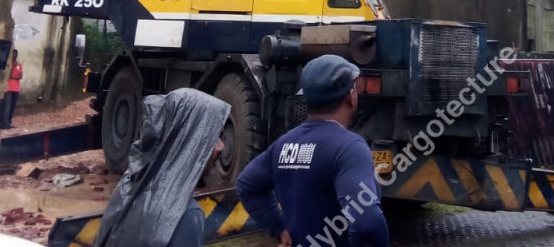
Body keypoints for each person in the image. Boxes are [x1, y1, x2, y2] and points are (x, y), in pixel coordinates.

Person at [236, 54, 389, 247]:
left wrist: (280, 229)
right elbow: (367, 222)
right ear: (351, 96)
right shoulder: (349, 148)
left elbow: (246, 185)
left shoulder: (283, 144)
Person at [95, 88, 229, 247]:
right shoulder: (184, 215)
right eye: (214, 136)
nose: (222, 147)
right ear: (191, 139)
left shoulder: (127, 190)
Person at [2, 49, 23, 129]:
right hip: (8, 88)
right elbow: (8, 76)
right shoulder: (8, 64)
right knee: (7, 106)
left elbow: (20, 76)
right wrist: (12, 70)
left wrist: (13, 76)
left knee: (12, 106)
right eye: (13, 54)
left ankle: (9, 122)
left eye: (15, 54)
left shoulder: (19, 65)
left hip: (16, 88)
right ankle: (5, 123)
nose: (14, 55)